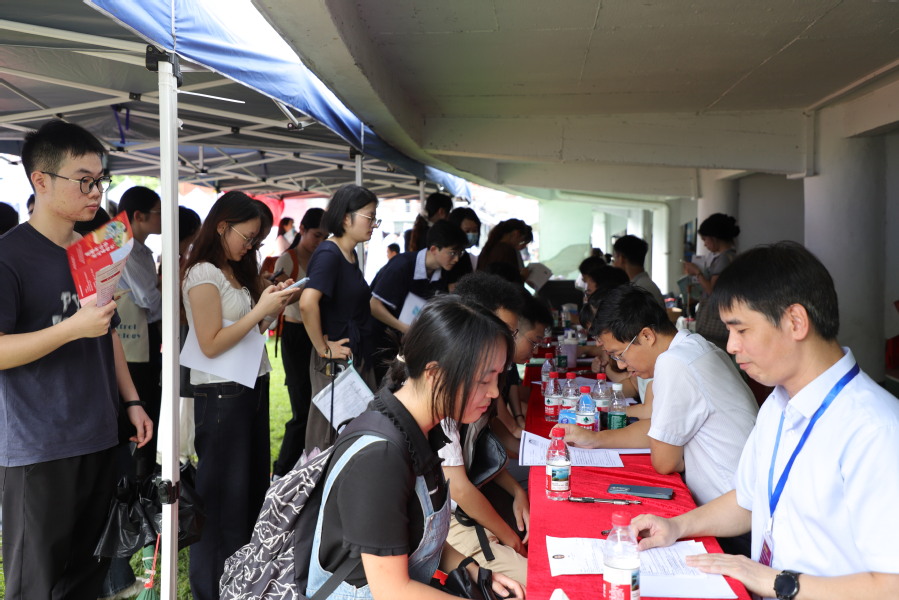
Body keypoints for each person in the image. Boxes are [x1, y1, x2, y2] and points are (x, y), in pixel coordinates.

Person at [630, 242, 899, 600]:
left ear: (795, 322)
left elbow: (892, 585)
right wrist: (676, 526)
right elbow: (748, 500)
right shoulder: (778, 403)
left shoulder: (875, 429)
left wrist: (776, 581)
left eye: (741, 330)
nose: (731, 346)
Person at [0, 119, 152, 599]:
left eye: (100, 180)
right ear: (40, 181)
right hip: (40, 446)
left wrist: (131, 400)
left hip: (100, 434)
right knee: (36, 584)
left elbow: (106, 332)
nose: (96, 192)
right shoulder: (10, 257)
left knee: (87, 578)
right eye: (83, 180)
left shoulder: (93, 251)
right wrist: (71, 328)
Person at [307, 295, 525, 600]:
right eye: (484, 379)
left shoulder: (422, 427)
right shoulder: (380, 457)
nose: (493, 393)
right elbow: (392, 591)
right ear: (435, 373)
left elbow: (418, 538)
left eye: (498, 378)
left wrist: (475, 571)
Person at [181, 191, 298, 600]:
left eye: (256, 240)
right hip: (220, 394)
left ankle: (240, 582)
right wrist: (259, 310)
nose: (250, 246)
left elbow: (249, 332)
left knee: (248, 493)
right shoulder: (202, 273)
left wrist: (273, 307)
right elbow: (211, 343)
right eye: (247, 237)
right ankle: (211, 588)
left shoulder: (234, 270)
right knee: (220, 500)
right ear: (222, 226)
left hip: (251, 385)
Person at [561, 285, 758, 513]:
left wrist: (675, 452)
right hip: (736, 500)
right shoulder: (695, 346)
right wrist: (595, 439)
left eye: (620, 354)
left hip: (730, 508)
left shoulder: (674, 362)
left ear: (647, 335)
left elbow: (664, 462)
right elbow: (657, 429)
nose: (622, 365)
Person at [447, 272, 531, 584]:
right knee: (536, 582)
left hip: (462, 514)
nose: (511, 342)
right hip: (450, 523)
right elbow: (459, 489)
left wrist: (517, 490)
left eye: (514, 333)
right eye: (505, 332)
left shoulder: (481, 376)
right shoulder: (449, 391)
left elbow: (481, 449)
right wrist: (509, 538)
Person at [300, 184, 380, 451]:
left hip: (353, 356)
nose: (373, 224)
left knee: (353, 435)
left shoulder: (350, 253)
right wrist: (323, 348)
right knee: (329, 438)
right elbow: (307, 303)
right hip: (335, 363)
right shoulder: (329, 254)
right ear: (346, 218)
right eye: (369, 217)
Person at [369, 220, 467, 383]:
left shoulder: (442, 274)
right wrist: (405, 328)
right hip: (379, 343)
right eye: (452, 252)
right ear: (434, 249)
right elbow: (373, 306)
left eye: (460, 253)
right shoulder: (402, 265)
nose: (456, 259)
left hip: (406, 344)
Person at [271, 207, 326, 478]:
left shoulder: (323, 257)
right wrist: (309, 287)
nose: (320, 241)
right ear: (302, 230)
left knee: (317, 404)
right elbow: (281, 298)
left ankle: (304, 465)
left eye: (325, 237)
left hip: (318, 334)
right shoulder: (288, 258)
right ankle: (282, 470)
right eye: (316, 235)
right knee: (302, 407)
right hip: (295, 335)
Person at [116, 185, 164, 478]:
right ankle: (134, 479)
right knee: (140, 404)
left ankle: (140, 475)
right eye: (159, 212)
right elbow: (150, 300)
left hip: (142, 339)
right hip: (132, 342)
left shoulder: (142, 250)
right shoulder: (126, 249)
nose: (163, 218)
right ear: (139, 216)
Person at [683, 213, 740, 350]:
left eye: (705, 239)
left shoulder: (723, 259)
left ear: (714, 238)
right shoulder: (732, 256)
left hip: (714, 324)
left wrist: (697, 272)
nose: (705, 244)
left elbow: (712, 290)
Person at [612, 234, 666, 308]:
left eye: (614, 259)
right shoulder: (643, 285)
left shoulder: (639, 290)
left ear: (621, 258)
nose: (613, 264)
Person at [477, 218, 533, 283]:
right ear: (516, 234)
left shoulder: (490, 247)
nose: (521, 245)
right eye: (521, 241)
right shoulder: (507, 250)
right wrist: (522, 277)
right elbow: (508, 281)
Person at [445, 206, 482, 288]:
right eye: (467, 231)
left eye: (475, 231)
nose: (472, 235)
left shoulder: (467, 257)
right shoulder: (445, 257)